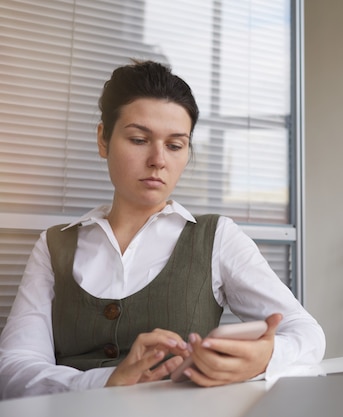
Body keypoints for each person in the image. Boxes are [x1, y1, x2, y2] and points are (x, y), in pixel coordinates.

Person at [0, 60, 325, 399]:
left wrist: (264, 358)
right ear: (103, 139)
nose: (158, 159)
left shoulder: (217, 238)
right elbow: (13, 368)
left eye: (174, 145)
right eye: (139, 139)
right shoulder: (54, 245)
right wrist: (105, 381)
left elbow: (307, 334)